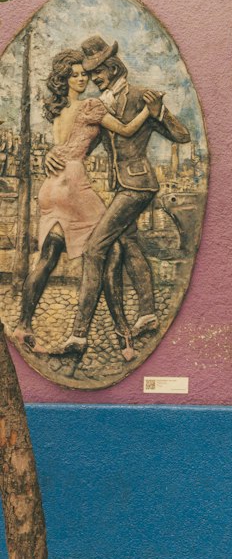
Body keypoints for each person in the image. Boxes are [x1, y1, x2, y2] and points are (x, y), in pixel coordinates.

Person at [47, 36, 190, 358]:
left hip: (137, 185)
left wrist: (159, 112)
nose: (93, 79)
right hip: (119, 186)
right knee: (130, 245)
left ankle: (78, 335)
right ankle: (148, 314)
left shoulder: (140, 96)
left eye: (96, 73)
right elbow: (86, 145)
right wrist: (52, 156)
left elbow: (183, 136)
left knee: (95, 249)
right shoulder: (103, 102)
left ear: (111, 67)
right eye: (89, 74)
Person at [14, 48, 160, 360]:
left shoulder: (57, 111)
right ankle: (123, 340)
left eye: (84, 73)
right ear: (65, 80)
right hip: (74, 185)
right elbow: (126, 129)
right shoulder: (90, 106)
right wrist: (150, 110)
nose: (83, 79)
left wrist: (51, 155)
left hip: (51, 188)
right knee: (111, 251)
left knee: (47, 258)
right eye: (76, 74)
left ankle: (23, 325)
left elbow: (59, 148)